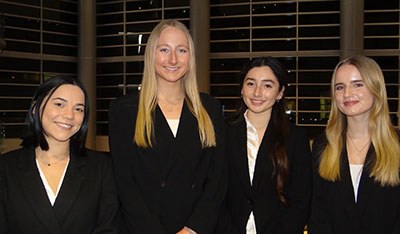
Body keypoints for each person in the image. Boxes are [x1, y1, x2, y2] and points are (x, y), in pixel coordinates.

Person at [108, 20, 226, 234]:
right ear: (151, 54)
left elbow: (217, 179)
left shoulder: (210, 108)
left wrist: (193, 228)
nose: (173, 59)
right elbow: (124, 183)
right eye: (164, 49)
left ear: (190, 58)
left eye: (181, 50)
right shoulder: (124, 109)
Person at [0, 76, 120, 234]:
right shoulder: (6, 168)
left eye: (78, 109)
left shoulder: (101, 167)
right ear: (36, 108)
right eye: (59, 104)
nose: (69, 115)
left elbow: (109, 227)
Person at [217, 57, 312, 234]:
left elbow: (301, 200)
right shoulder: (222, 132)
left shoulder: (295, 137)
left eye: (267, 85)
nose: (257, 92)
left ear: (280, 92)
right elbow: (214, 191)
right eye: (251, 84)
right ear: (242, 88)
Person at [308, 55, 400, 234]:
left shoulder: (397, 146)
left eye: (357, 84)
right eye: (340, 87)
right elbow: (317, 216)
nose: (347, 94)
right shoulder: (322, 147)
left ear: (376, 88)